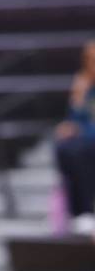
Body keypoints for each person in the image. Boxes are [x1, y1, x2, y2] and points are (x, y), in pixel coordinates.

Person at [55, 39, 95, 234]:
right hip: (86, 140)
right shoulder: (82, 85)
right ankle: (76, 212)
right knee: (63, 148)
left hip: (90, 141)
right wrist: (69, 126)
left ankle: (87, 209)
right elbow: (76, 119)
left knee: (79, 151)